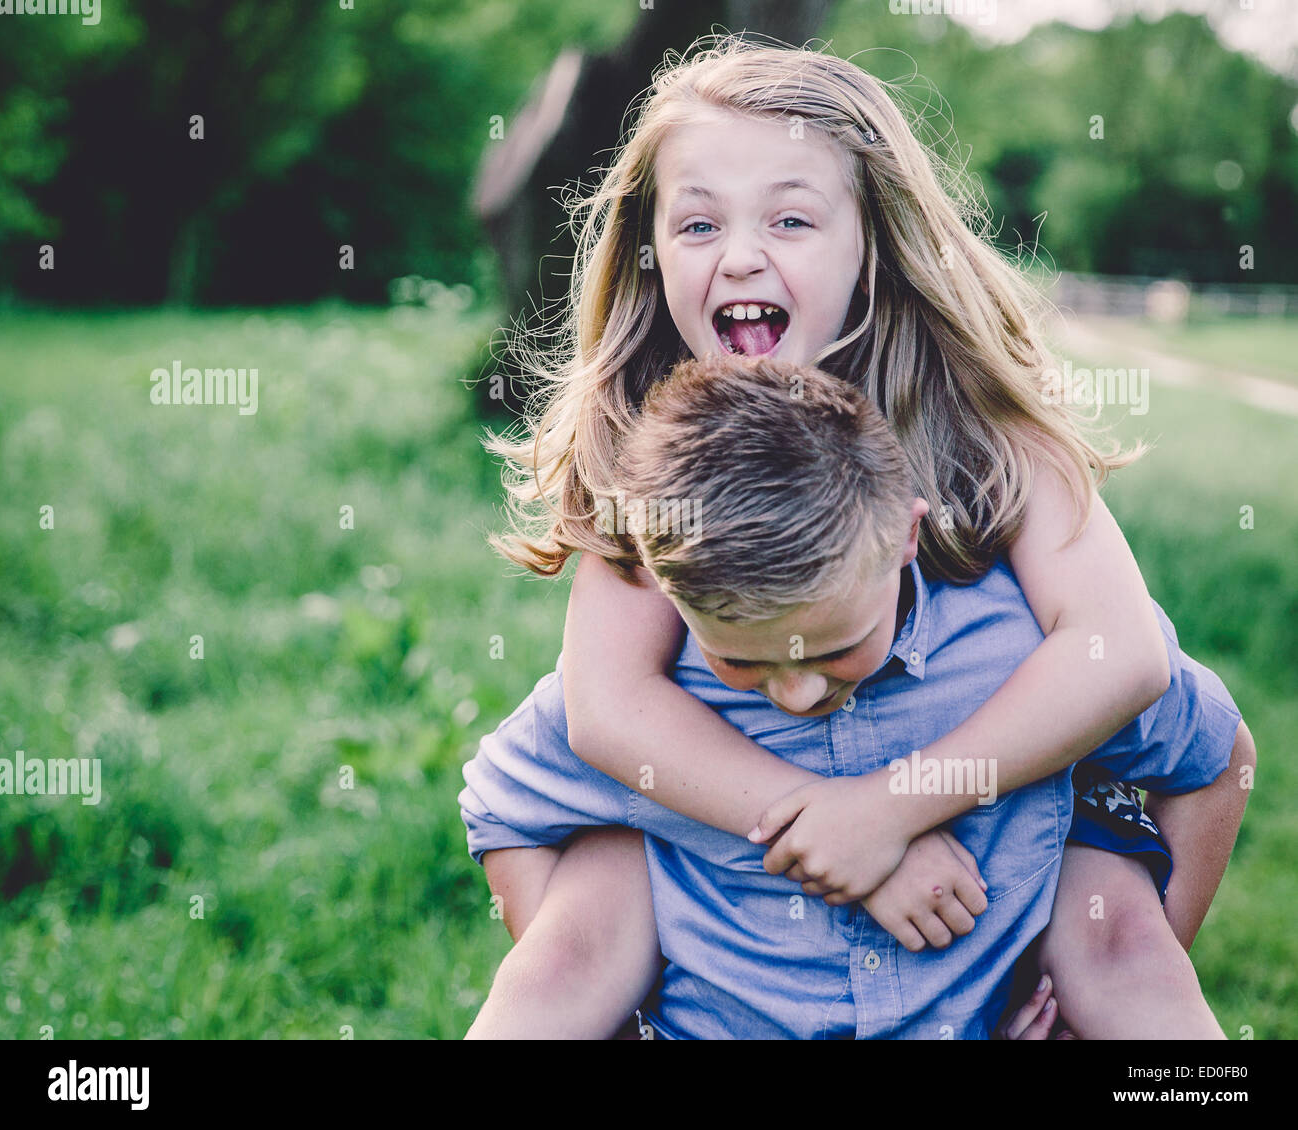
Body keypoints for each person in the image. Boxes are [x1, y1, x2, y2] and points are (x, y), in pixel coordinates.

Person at [474, 35, 1251, 1037]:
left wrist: (891, 805)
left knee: (1120, 936)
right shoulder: (646, 460)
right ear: (652, 247)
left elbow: (1119, 653)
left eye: (790, 217)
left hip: (999, 848)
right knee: (585, 917)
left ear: (871, 241)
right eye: (698, 220)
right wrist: (831, 825)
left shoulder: (987, 430)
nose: (740, 253)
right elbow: (608, 707)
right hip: (736, 889)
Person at [461, 356, 1251, 1040]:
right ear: (667, 592)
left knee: (1129, 950)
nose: (797, 691)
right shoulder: (654, 702)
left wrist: (1106, 984)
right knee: (572, 937)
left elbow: (1216, 755)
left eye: (837, 648)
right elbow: (502, 804)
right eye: (741, 662)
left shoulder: (1010, 652)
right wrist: (601, 980)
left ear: (908, 537)